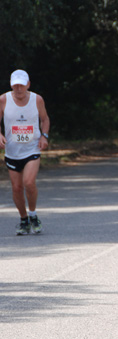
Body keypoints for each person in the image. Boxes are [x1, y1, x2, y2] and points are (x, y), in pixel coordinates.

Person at [0, 70, 50, 235]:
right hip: (12, 151)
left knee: (29, 183)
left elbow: (45, 119)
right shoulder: (4, 99)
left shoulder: (37, 99)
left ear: (28, 84)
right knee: (16, 187)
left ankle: (33, 214)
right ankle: (23, 219)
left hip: (32, 149)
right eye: (16, 85)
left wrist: (44, 136)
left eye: (22, 85)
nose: (19, 88)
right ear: (11, 85)